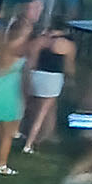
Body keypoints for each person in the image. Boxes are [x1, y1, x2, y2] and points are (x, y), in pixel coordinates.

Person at [21, 25, 76, 155]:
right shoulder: (67, 45)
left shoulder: (40, 41)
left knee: (29, 106)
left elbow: (32, 61)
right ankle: (29, 143)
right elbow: (69, 66)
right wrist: (71, 79)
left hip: (37, 75)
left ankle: (22, 131)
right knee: (42, 113)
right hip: (53, 79)